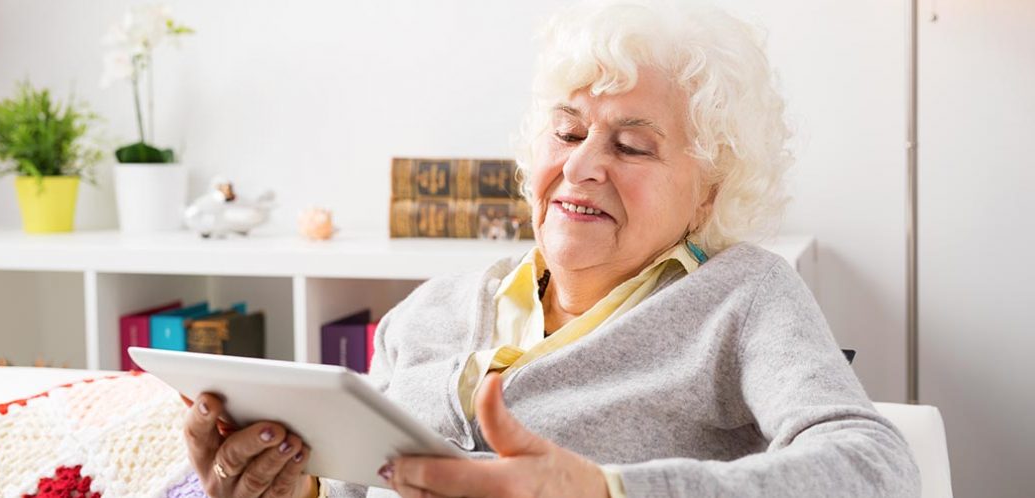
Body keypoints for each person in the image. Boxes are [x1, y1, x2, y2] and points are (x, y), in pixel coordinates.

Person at [183, 1, 922, 497]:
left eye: (632, 145)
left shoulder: (743, 297)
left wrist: (604, 491)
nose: (582, 165)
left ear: (710, 193)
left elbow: (875, 467)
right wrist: (290, 484)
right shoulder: (426, 315)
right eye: (568, 133)